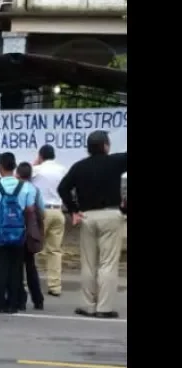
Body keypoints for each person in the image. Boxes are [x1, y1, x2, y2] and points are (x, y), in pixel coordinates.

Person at [57, 130, 127, 319]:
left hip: (86, 216)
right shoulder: (115, 161)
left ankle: (87, 305)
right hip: (111, 215)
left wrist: (73, 209)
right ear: (105, 146)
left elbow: (62, 188)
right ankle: (104, 307)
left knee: (88, 263)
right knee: (108, 264)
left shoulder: (79, 167)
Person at [0, 152, 37, 314]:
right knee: (16, 268)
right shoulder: (25, 187)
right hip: (19, 233)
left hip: (0, 234)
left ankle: (0, 302)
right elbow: (30, 209)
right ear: (14, 166)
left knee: (0, 267)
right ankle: (14, 302)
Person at [31, 144, 67, 297]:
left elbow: (23, 176)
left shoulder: (37, 170)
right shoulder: (62, 169)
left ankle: (27, 281)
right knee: (55, 250)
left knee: (32, 247)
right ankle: (55, 286)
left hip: (41, 211)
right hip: (58, 210)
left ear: (41, 156)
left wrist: (34, 164)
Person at [17, 162, 45, 311]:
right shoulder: (35, 189)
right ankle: (38, 299)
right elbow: (42, 211)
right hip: (29, 232)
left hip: (15, 230)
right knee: (31, 267)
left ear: (18, 174)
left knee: (17, 267)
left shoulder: (15, 188)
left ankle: (20, 299)